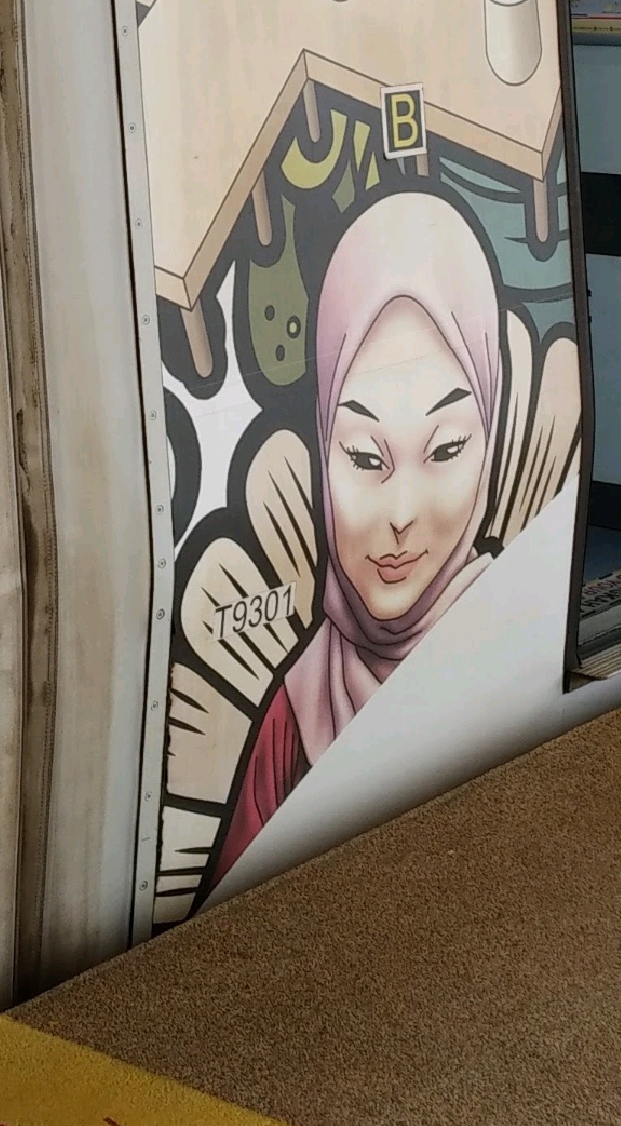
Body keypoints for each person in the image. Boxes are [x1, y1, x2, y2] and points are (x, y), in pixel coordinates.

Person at [212, 191, 507, 882]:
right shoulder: (291, 722)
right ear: (322, 448)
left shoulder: (514, 620)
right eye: (366, 459)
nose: (401, 513)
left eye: (444, 451)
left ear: (492, 441)